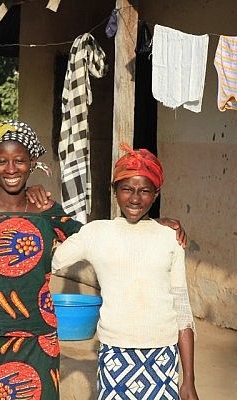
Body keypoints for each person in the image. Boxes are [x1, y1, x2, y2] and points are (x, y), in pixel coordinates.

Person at [0, 120, 185, 400]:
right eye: (2, 161)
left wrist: (154, 223)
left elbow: (104, 237)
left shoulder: (48, 211)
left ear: (32, 164)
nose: (10, 168)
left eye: (20, 160)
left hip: (40, 337)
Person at [51, 144, 198, 400]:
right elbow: (50, 261)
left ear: (156, 194)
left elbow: (182, 312)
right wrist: (36, 203)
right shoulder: (96, 233)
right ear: (114, 191)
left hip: (163, 354)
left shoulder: (170, 238)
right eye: (127, 189)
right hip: (115, 353)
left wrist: (188, 381)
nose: (135, 199)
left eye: (145, 191)